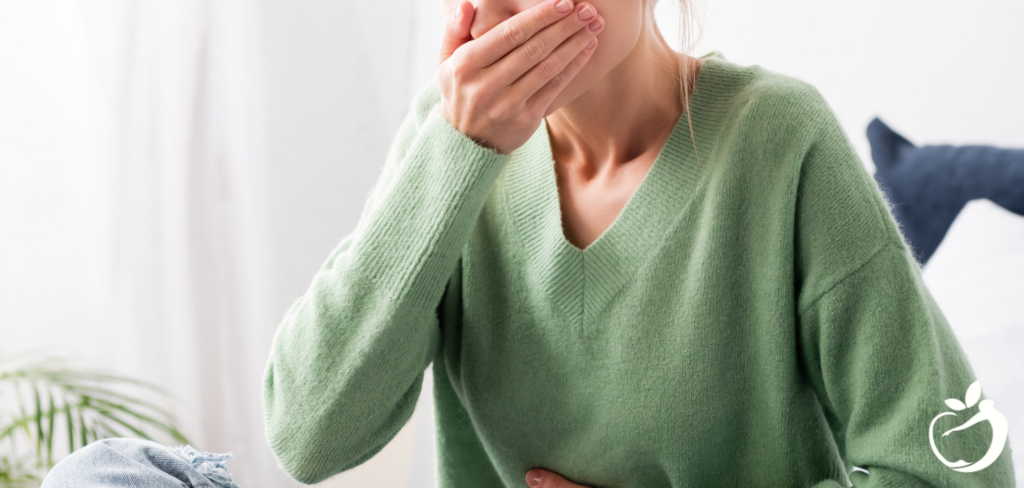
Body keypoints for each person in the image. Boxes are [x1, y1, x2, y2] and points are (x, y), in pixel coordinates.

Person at [262, 1, 1016, 488]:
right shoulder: (451, 138)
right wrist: (455, 154)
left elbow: (962, 471)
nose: (503, 10)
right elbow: (308, 434)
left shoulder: (781, 142)